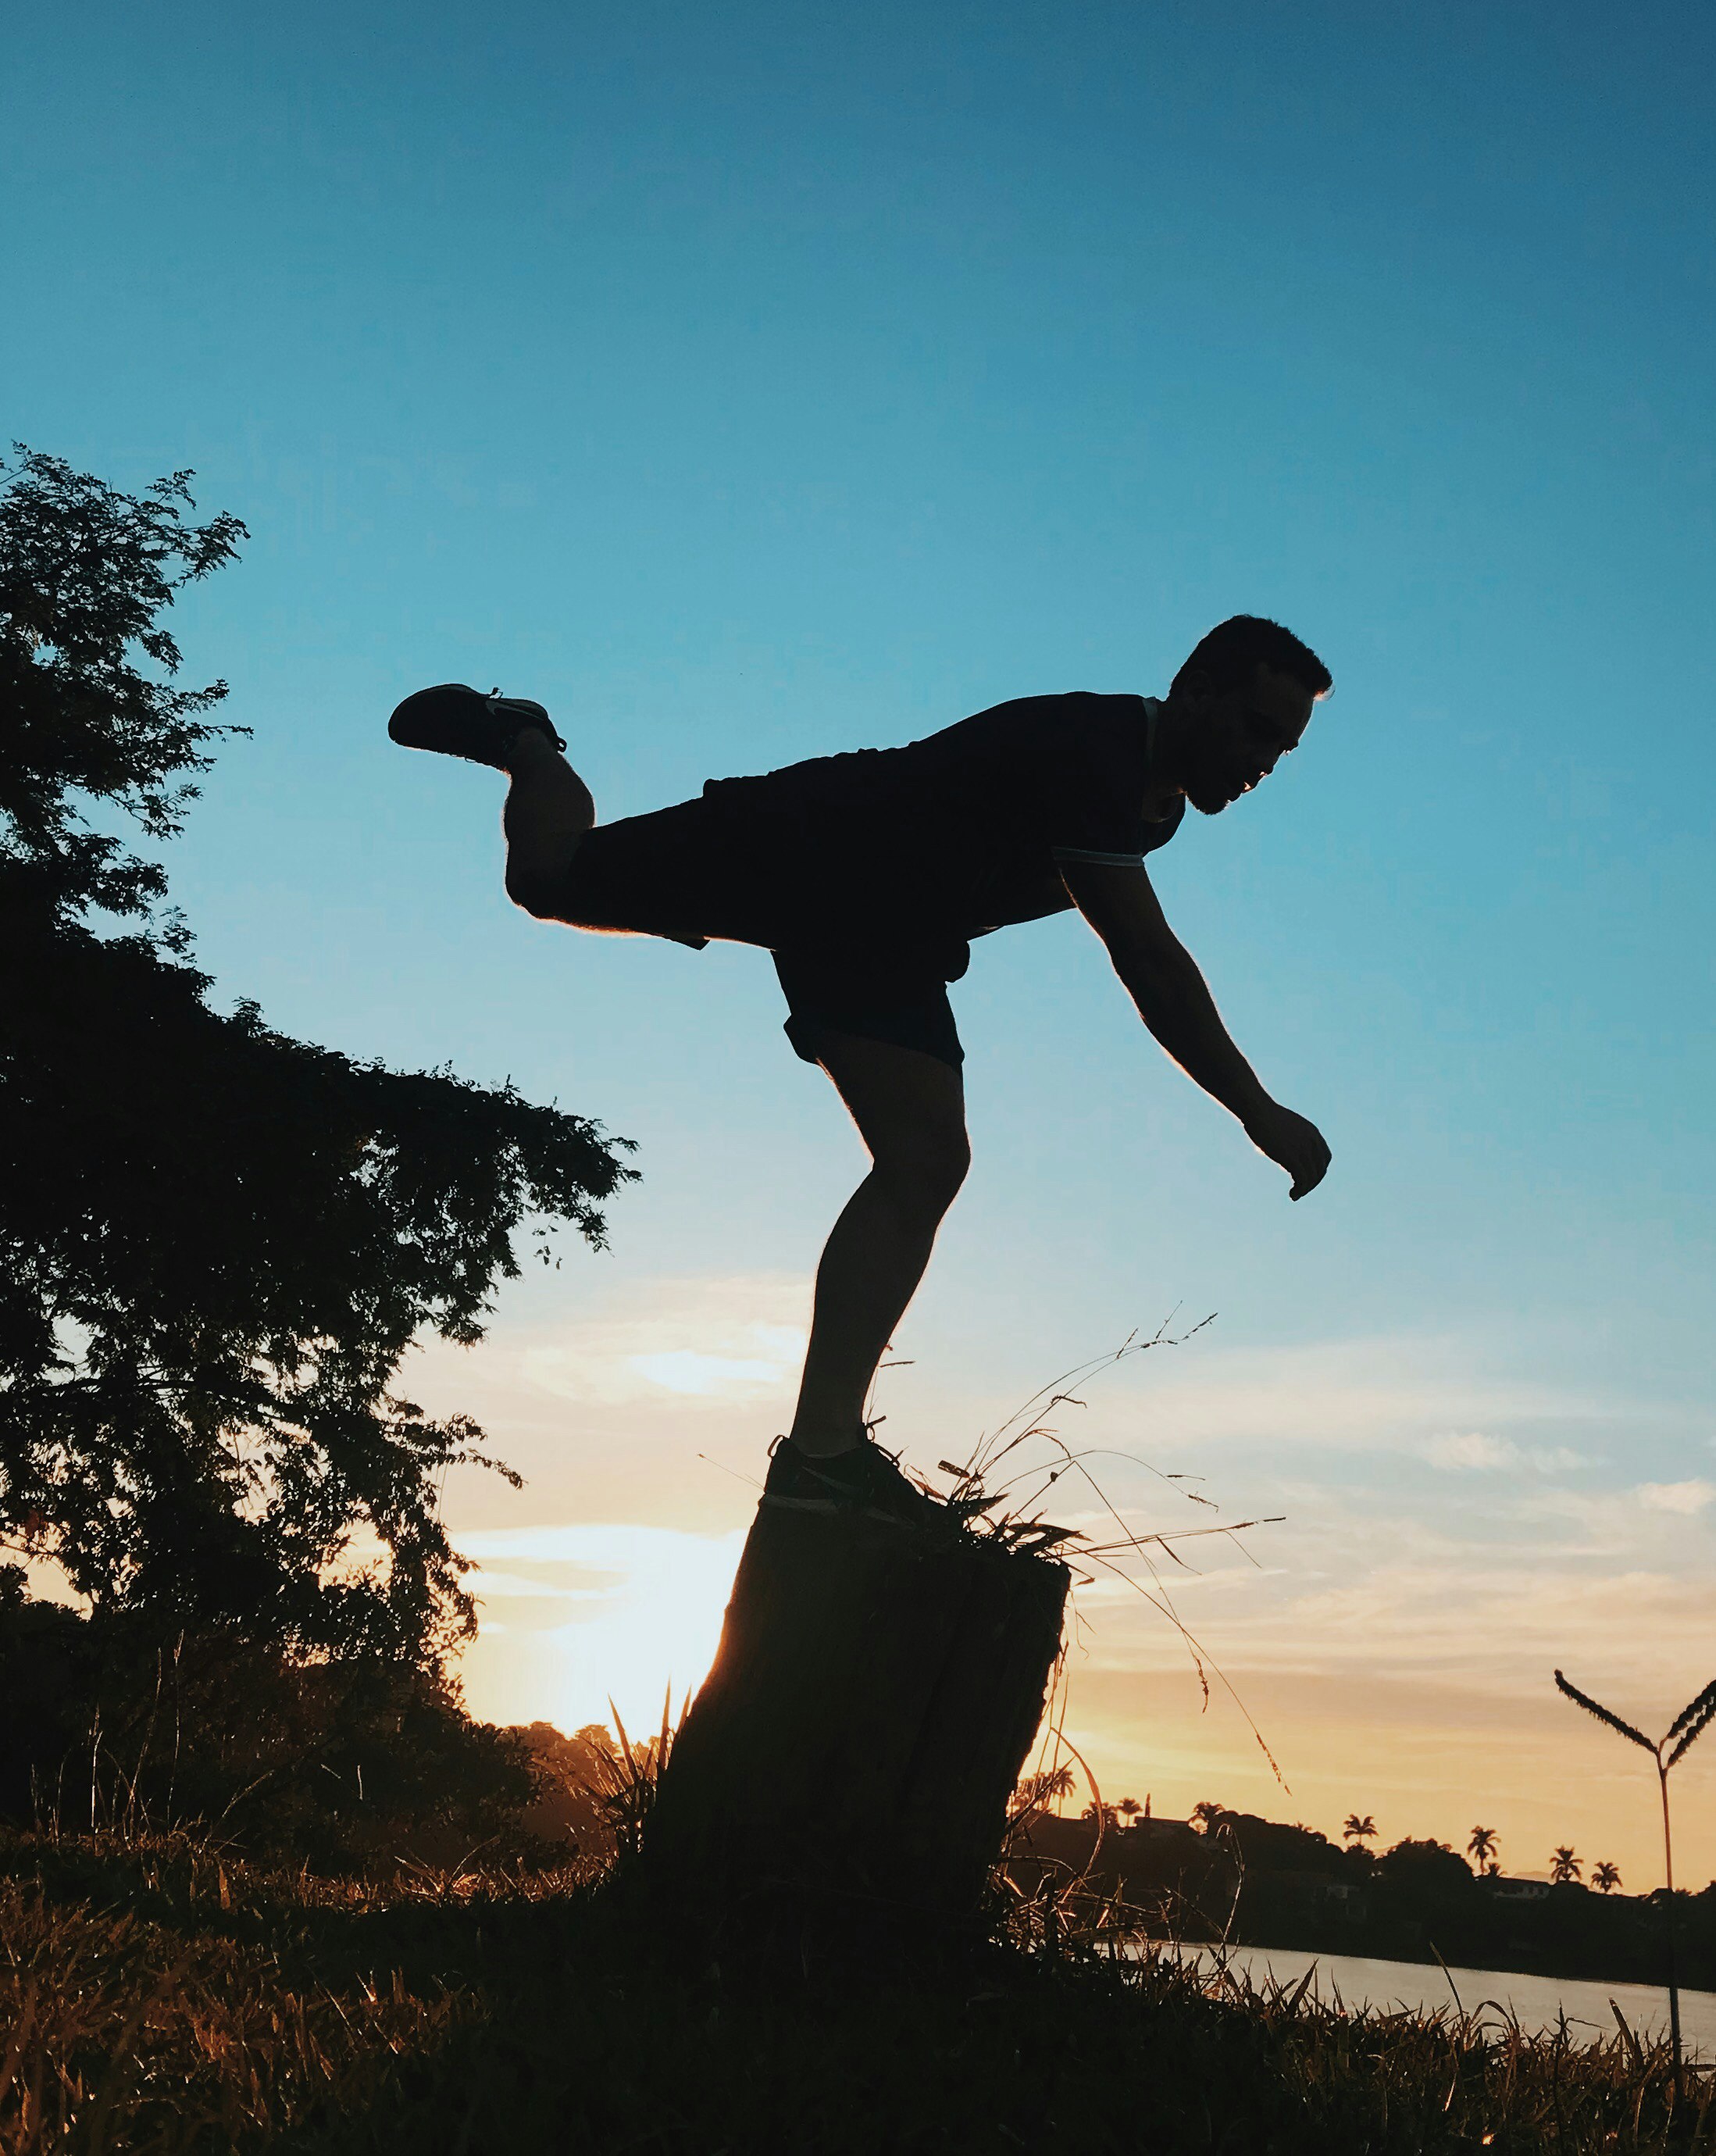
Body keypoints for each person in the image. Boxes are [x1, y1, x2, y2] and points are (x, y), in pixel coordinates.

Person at [388, 614, 1332, 1529]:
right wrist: (1257, 1110)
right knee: (547, 881)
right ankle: (525, 742)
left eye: (1285, 750)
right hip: (804, 839)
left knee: (926, 1161)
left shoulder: (1154, 812)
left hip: (885, 928)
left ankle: (822, 1452)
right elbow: (1148, 962)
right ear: (1195, 690)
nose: (1267, 762)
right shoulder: (1098, 749)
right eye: (1258, 730)